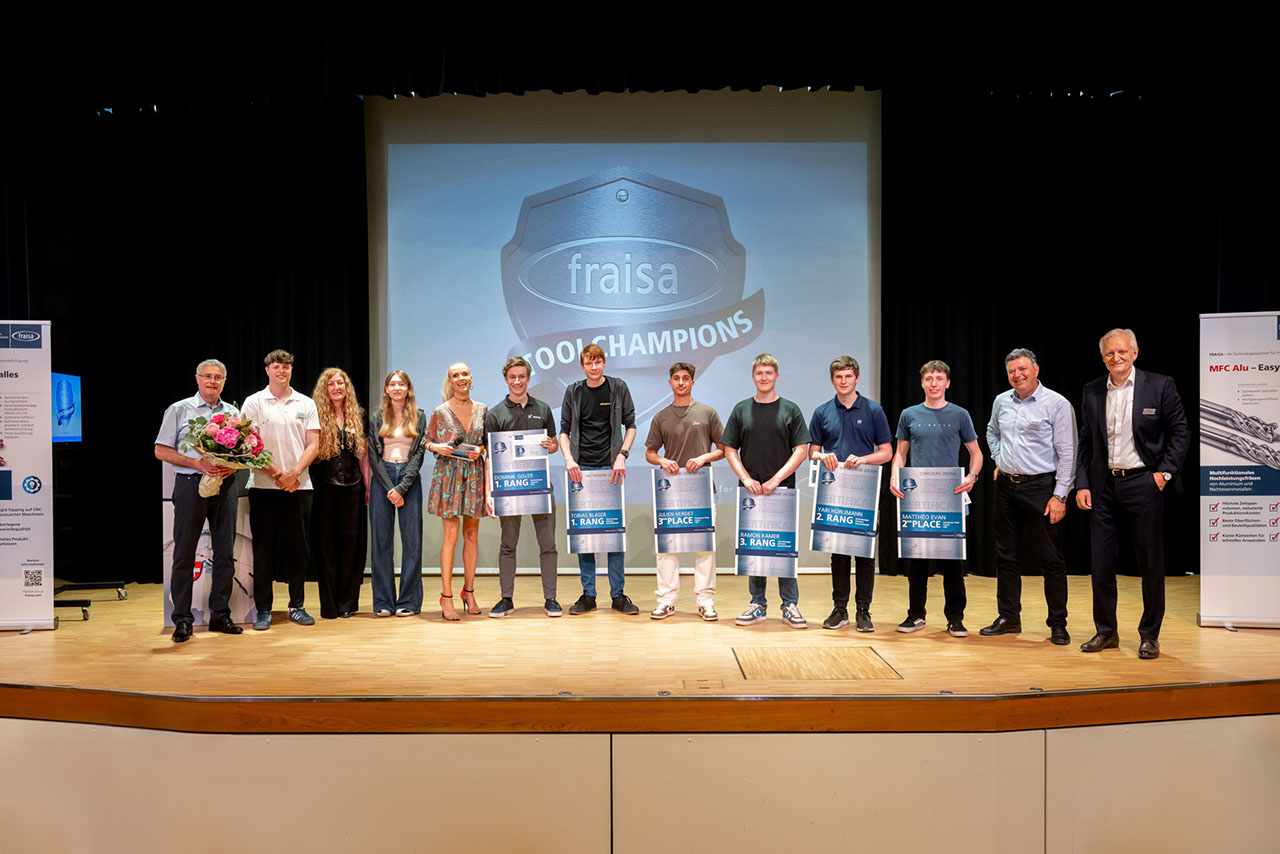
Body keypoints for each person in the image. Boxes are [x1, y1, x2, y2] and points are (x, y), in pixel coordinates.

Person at [1076, 329, 1189, 660]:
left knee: (1149, 562)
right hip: (1103, 486)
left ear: (1135, 352)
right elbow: (1086, 441)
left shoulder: (1160, 385)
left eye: (1122, 352)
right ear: (1103, 357)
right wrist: (1082, 483)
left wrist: (1164, 474)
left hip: (1144, 483)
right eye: (1110, 353)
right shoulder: (1093, 391)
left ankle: (1150, 635)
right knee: (1101, 562)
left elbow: (1180, 431)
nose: (1117, 358)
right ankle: (1106, 631)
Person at [982, 348, 1076, 644]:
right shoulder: (1001, 401)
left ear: (1036, 370)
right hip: (1006, 487)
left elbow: (1069, 452)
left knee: (1051, 559)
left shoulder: (1057, 404)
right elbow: (991, 431)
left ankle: (1057, 623)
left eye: (1022, 369)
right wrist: (1000, 459)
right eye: (1011, 371)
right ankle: (1009, 618)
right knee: (1005, 555)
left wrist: (1060, 496)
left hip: (1041, 488)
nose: (1017, 375)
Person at [889, 360, 983, 637]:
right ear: (922, 383)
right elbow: (900, 454)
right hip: (917, 499)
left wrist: (972, 478)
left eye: (939, 378)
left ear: (947, 383)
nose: (933, 383)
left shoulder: (960, 415)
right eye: (929, 378)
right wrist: (895, 476)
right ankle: (916, 615)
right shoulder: (909, 415)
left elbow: (976, 454)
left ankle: (955, 618)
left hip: (950, 497)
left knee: (953, 563)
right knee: (916, 562)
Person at [153, 359, 243, 642]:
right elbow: (160, 451)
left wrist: (233, 466)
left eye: (218, 377)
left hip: (225, 486)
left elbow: (242, 453)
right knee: (184, 554)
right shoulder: (179, 409)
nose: (213, 381)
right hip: (190, 486)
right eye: (208, 376)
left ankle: (220, 614)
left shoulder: (233, 413)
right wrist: (195, 463)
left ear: (224, 382)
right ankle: (182, 619)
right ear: (197, 379)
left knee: (225, 553)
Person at [722, 353, 812, 628]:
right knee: (755, 547)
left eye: (769, 373)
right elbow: (729, 449)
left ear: (776, 376)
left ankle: (790, 605)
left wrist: (776, 480)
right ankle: (757, 604)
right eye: (759, 373)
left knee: (783, 547)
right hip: (751, 491)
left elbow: (801, 450)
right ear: (753, 377)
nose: (764, 378)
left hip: (782, 490)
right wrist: (746, 478)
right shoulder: (741, 409)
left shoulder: (790, 409)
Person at [808, 355, 893, 632]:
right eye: (838, 377)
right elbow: (813, 451)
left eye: (848, 376)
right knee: (839, 554)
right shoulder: (822, 412)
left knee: (865, 554)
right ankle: (839, 609)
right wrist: (824, 458)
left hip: (865, 490)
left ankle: (863, 611)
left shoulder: (873, 410)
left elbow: (886, 452)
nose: (843, 381)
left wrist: (864, 459)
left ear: (857, 378)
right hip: (834, 491)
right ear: (832, 380)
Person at [241, 349, 321, 631]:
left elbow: (313, 444)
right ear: (267, 370)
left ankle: (296, 606)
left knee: (298, 549)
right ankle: (263, 609)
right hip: (264, 486)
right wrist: (278, 474)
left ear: (291, 370)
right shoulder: (254, 402)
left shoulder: (306, 402)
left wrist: (294, 473)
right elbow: (248, 445)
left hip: (300, 487)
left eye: (286, 366)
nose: (282, 371)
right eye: (276, 366)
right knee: (264, 550)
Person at [559, 343, 639, 615]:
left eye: (598, 362)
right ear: (583, 366)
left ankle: (618, 596)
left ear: (604, 363)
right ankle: (588, 595)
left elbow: (631, 426)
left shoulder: (618, 387)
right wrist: (569, 459)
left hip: (611, 469)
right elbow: (564, 431)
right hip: (580, 469)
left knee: (612, 535)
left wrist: (622, 456)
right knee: (586, 534)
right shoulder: (573, 391)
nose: (593, 367)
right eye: (588, 363)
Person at [644, 361, 726, 621]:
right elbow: (650, 453)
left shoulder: (707, 412)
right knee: (668, 548)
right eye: (676, 378)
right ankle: (666, 600)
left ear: (692, 382)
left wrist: (703, 458)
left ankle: (705, 601)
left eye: (686, 378)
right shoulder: (661, 417)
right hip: (671, 492)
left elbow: (723, 449)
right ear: (670, 383)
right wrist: (662, 461)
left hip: (703, 489)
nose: (681, 382)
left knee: (704, 548)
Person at [484, 357, 562, 618]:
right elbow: (490, 457)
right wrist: (489, 494)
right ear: (506, 379)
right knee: (508, 544)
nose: (517, 381)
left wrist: (551, 446)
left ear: (529, 378)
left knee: (548, 543)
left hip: (539, 485)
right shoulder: (495, 413)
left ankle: (550, 598)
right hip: (508, 487)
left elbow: (553, 444)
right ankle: (506, 598)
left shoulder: (542, 407)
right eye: (512, 377)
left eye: (522, 376)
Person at [425, 362, 487, 621]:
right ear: (449, 381)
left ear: (471, 378)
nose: (461, 378)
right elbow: (426, 441)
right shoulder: (440, 411)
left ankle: (469, 592)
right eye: (455, 375)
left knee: (471, 534)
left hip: (474, 476)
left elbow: (486, 443)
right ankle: (446, 596)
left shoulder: (483, 409)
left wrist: (481, 451)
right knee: (450, 535)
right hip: (448, 476)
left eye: (465, 374)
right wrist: (437, 448)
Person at [309, 368, 368, 620]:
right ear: (325, 389)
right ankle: (330, 605)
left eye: (340, 383)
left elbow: (363, 454)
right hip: (324, 488)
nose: (336, 387)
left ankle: (347, 602)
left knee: (351, 547)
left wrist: (367, 485)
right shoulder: (315, 415)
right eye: (331, 383)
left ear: (347, 387)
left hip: (354, 488)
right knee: (326, 547)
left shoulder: (359, 415)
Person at [368, 370, 428, 617]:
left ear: (408, 388)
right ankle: (383, 601)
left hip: (409, 478)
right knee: (381, 543)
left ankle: (409, 601)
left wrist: (402, 487)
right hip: (382, 478)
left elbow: (419, 453)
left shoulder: (420, 416)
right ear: (386, 389)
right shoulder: (377, 416)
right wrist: (389, 488)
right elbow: (372, 454)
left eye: (401, 384)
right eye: (392, 384)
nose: (396, 388)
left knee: (412, 543)